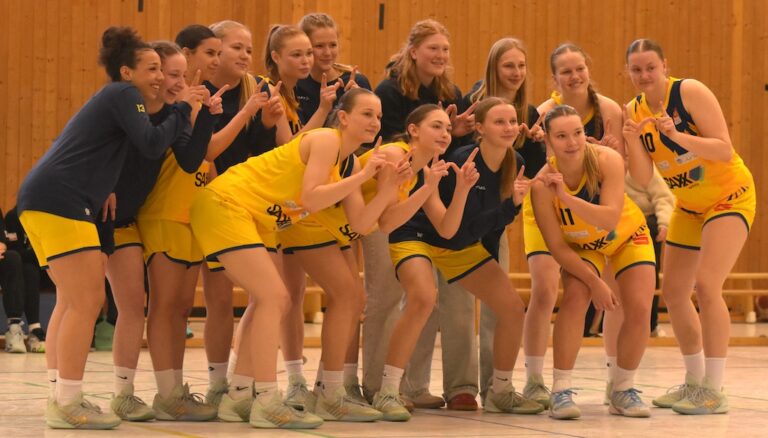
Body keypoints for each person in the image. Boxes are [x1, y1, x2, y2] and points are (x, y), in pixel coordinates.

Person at [16, 26, 197, 429]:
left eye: (161, 69)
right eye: (151, 68)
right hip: (61, 201)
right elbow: (152, 143)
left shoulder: (116, 99)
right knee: (86, 302)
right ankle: (68, 404)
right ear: (127, 72)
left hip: (49, 200)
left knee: (71, 301)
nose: (158, 76)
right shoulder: (124, 94)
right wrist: (184, 109)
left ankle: (60, 397)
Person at [190, 88, 385, 429]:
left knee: (265, 302)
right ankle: (267, 399)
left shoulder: (345, 163)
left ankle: (237, 396)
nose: (375, 122)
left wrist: (387, 186)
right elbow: (311, 197)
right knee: (276, 298)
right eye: (367, 114)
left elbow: (360, 224)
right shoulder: (326, 139)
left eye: (379, 116)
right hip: (227, 203)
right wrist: (364, 177)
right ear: (343, 117)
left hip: (257, 218)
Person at [373, 98, 542, 421]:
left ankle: (500, 390)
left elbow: (460, 230)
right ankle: (388, 390)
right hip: (416, 234)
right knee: (423, 298)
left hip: (456, 239)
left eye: (512, 121)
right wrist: (465, 190)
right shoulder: (459, 160)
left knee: (511, 307)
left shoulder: (514, 162)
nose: (509, 127)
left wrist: (510, 207)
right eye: (499, 121)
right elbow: (444, 226)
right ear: (480, 128)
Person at [624, 38, 756, 415]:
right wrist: (632, 142)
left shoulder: (689, 92)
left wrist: (677, 136)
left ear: (665, 65)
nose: (644, 75)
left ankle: (714, 388)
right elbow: (642, 176)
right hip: (690, 205)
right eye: (636, 69)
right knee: (674, 292)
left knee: (707, 285)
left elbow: (724, 149)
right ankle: (694, 381)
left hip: (730, 196)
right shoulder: (633, 110)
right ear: (628, 73)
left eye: (651, 67)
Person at [100, 38, 220, 422]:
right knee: (89, 305)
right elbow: (95, 147)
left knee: (147, 305)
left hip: (129, 219)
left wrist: (206, 114)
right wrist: (103, 186)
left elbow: (190, 159)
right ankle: (108, 394)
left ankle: (162, 393)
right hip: (98, 216)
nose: (176, 83)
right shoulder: (126, 108)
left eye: (181, 76)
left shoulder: (173, 115)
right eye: (169, 74)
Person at [367, 18, 477, 410]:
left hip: (401, 213)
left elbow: (446, 227)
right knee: (382, 299)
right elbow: (385, 220)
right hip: (366, 216)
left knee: (424, 298)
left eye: (449, 128)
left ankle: (396, 387)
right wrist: (426, 185)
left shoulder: (426, 165)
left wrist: (459, 189)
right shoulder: (396, 152)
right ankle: (370, 386)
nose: (446, 134)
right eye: (438, 127)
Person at [531, 105, 656, 420]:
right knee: (576, 297)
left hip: (627, 235)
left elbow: (610, 218)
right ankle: (560, 390)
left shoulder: (606, 160)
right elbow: (557, 248)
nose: (572, 142)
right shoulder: (541, 185)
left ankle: (623, 389)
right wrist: (595, 282)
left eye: (577, 133)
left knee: (640, 306)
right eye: (562, 136)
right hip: (584, 246)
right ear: (548, 140)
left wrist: (567, 198)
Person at [274, 12, 373, 412]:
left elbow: (363, 142)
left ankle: (338, 382)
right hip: (294, 202)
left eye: (333, 44)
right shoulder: (291, 87)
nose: (326, 53)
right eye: (317, 47)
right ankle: (296, 380)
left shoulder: (354, 83)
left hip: (339, 195)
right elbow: (291, 149)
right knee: (290, 294)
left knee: (350, 293)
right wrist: (325, 106)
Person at [521, 43, 624, 408]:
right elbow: (535, 169)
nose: (575, 76)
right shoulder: (543, 114)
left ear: (588, 69)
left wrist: (606, 149)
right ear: (554, 78)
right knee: (545, 289)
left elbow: (619, 167)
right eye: (566, 71)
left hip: (590, 208)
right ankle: (535, 379)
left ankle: (617, 381)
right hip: (549, 204)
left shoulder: (608, 109)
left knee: (610, 291)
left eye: (579, 68)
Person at [200, 20, 283, 407]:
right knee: (218, 300)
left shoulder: (257, 88)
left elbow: (261, 153)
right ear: (215, 51)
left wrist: (266, 123)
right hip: (215, 202)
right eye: (237, 47)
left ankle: (241, 381)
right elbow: (206, 152)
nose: (246, 55)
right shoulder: (203, 92)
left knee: (265, 296)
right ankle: (218, 384)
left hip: (251, 202)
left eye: (250, 49)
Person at [464, 37, 546, 404]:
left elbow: (530, 171)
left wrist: (537, 143)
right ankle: (460, 387)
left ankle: (495, 386)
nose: (516, 72)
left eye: (521, 65)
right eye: (508, 65)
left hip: (499, 220)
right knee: (455, 308)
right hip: (462, 221)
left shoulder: (530, 113)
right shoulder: (473, 102)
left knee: (500, 308)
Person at [1, 207, 45, 353]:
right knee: (18, 260)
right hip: (33, 260)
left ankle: (32, 330)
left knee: (27, 268)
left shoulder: (49, 214)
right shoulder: (14, 216)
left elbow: (2, 242)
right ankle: (19, 328)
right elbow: (15, 247)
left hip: (46, 265)